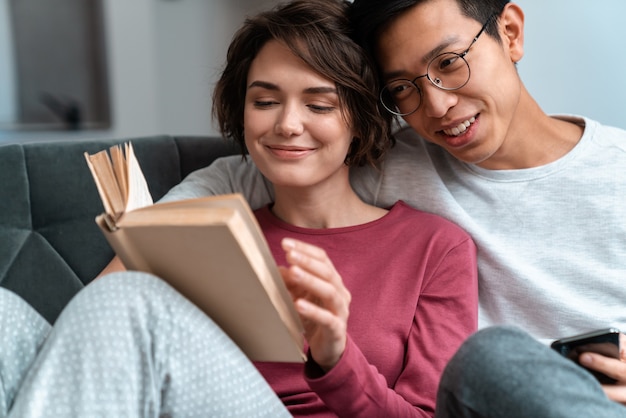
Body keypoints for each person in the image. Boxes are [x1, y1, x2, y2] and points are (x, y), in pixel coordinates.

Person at [2, 1, 478, 417]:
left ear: (360, 119)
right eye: (265, 101)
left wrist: (336, 358)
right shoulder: (214, 232)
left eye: (319, 105)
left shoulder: (434, 247)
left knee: (130, 296)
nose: (288, 124)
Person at [171, 0, 626, 415]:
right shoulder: (387, 158)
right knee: (490, 358)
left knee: (494, 356)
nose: (438, 105)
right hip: (475, 398)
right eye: (403, 88)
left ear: (510, 32)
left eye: (450, 63)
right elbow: (252, 169)